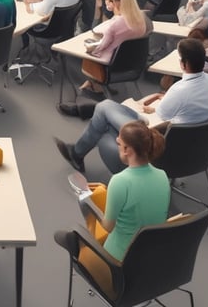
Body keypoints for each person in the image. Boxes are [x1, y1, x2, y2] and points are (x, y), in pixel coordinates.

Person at [55, 38, 208, 174]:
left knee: (104, 111)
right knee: (108, 109)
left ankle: (77, 152)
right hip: (192, 145)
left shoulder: (179, 89)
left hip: (159, 141)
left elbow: (159, 115)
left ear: (184, 64)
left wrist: (159, 101)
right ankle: (79, 144)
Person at [55, 121, 169, 290]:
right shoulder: (162, 176)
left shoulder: (120, 181)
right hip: (150, 260)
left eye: (119, 143)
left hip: (116, 264)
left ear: (127, 150)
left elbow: (108, 226)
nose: (117, 145)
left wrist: (88, 201)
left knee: (62, 236)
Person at [79, 0, 150, 96]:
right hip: (134, 65)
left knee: (89, 55)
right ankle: (95, 84)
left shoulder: (115, 25)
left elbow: (101, 47)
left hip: (112, 66)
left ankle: (95, 86)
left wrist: (89, 47)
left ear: (116, 2)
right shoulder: (142, 20)